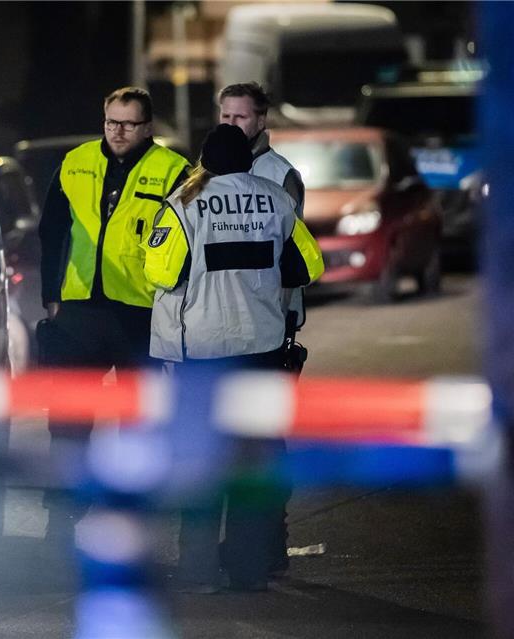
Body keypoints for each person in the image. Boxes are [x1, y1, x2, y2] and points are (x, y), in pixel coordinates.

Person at [143, 124, 323, 590]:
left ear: (205, 158)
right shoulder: (275, 199)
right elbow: (311, 266)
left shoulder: (184, 202)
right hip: (260, 353)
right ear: (247, 159)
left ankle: (199, 572)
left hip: (201, 356)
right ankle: (248, 572)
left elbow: (159, 272)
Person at [37, 86, 190, 538]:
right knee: (68, 417)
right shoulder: (76, 161)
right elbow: (51, 231)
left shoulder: (173, 170)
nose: (118, 132)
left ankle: (128, 509)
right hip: (79, 307)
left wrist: (174, 306)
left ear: (148, 127)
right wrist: (51, 293)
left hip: (139, 312)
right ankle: (63, 510)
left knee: (135, 420)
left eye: (128, 124)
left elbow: (186, 241)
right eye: (111, 122)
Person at [219, 82, 307, 575]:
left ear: (262, 121)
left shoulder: (280, 176)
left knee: (265, 441)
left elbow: (293, 259)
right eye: (226, 117)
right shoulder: (207, 172)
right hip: (223, 329)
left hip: (270, 330)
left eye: (241, 118)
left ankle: (270, 544)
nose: (232, 125)